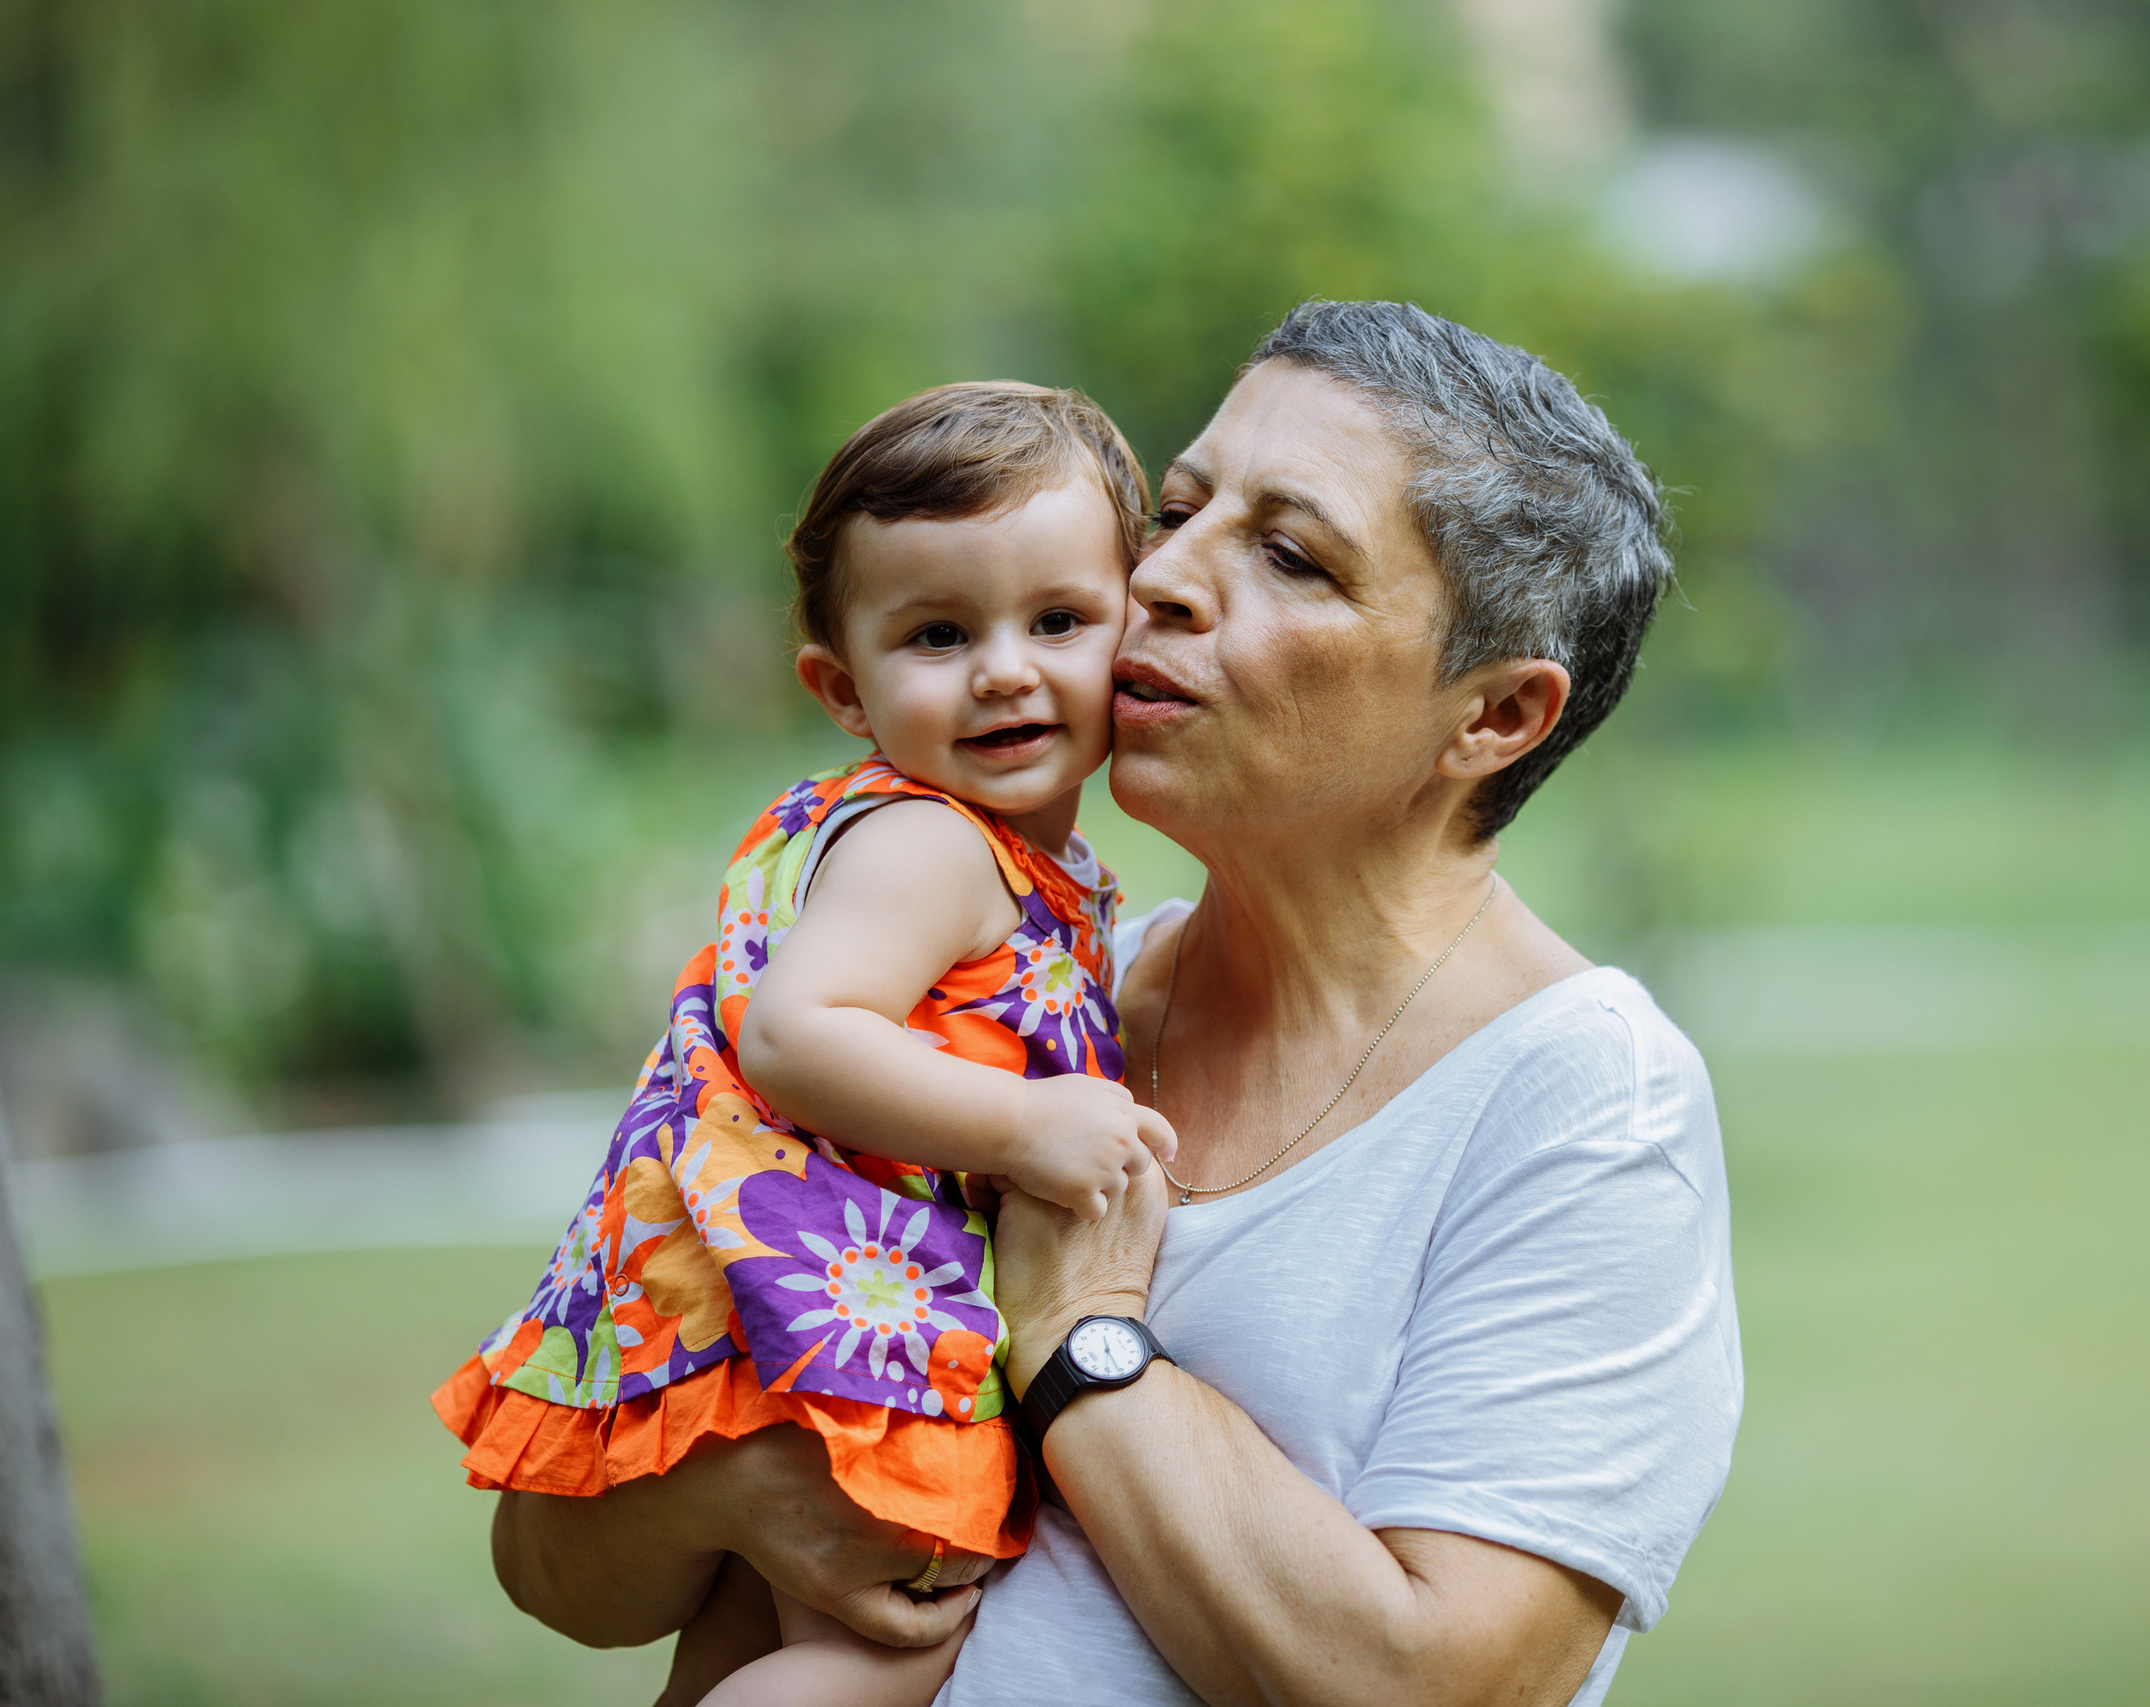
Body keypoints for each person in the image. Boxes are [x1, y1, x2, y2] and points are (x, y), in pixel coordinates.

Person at [491, 301, 1743, 1707]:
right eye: (1183, 508)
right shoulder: (999, 1003)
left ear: (1495, 718)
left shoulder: (1581, 1098)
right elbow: (547, 1563)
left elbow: (1438, 1689)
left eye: (1288, 556)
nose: (1163, 580)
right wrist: (726, 1493)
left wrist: (1084, 1338)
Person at [433, 381, 1177, 1707]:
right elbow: (795, 1032)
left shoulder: (975, 851)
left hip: (782, 1293)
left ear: (1136, 626)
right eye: (940, 634)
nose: (1006, 667)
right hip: (838, 1304)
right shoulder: (934, 845)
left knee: (753, 1648)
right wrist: (1028, 1130)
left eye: (1057, 620)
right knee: (888, 1650)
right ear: (843, 685)